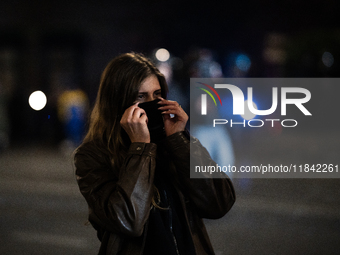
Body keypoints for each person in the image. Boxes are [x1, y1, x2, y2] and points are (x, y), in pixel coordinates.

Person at [74, 52, 235, 255]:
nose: (152, 103)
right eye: (140, 97)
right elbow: (128, 221)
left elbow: (220, 202)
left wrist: (179, 141)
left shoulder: (172, 144)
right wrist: (140, 148)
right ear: (117, 101)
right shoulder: (92, 155)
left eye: (157, 95)